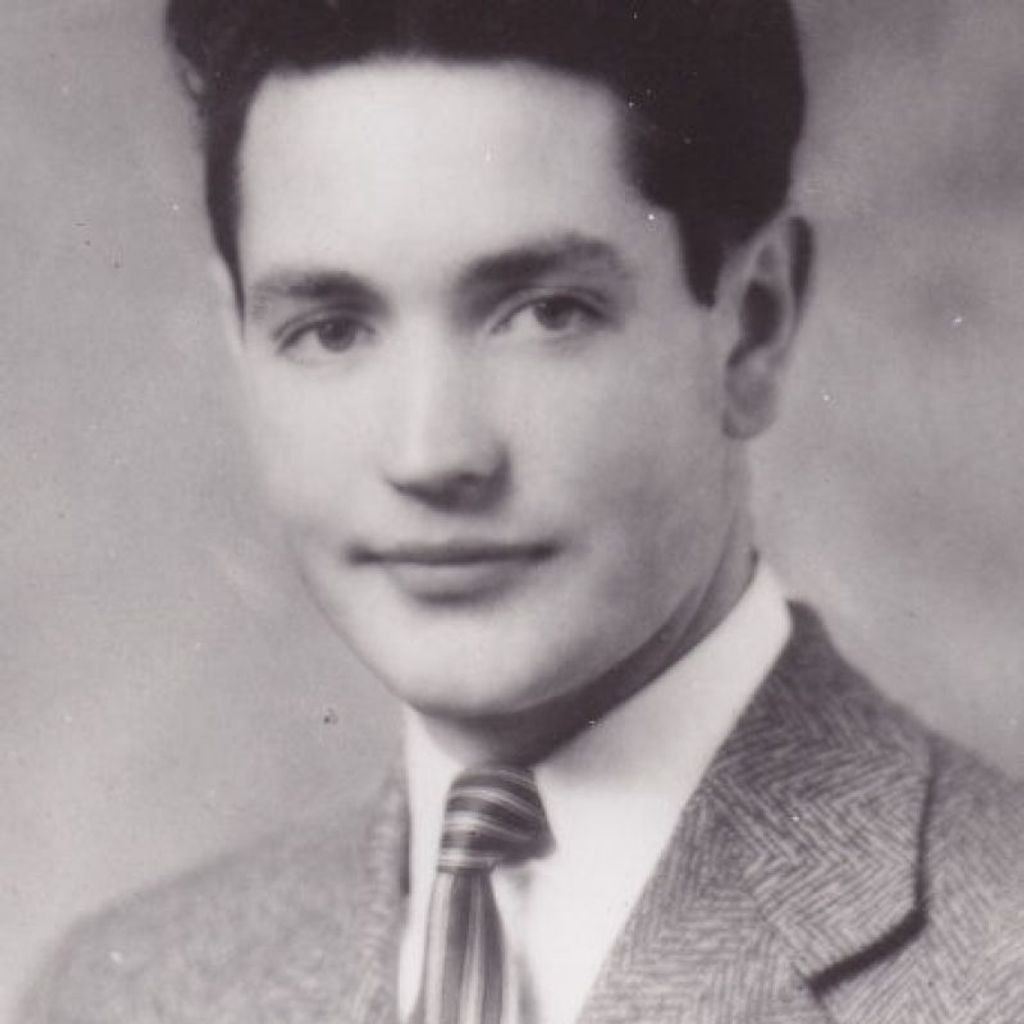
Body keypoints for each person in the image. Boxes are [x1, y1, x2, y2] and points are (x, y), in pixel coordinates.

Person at [20, 1, 1024, 1021]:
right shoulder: (115, 990)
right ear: (241, 343)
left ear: (753, 326)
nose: (429, 455)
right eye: (330, 328)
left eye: (546, 313)